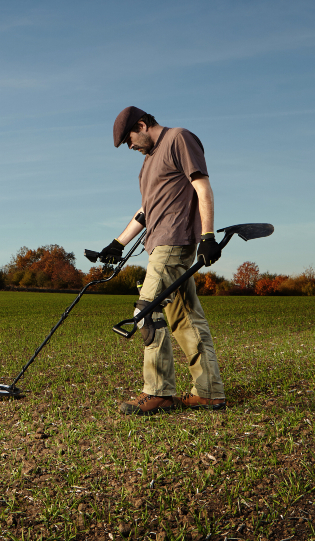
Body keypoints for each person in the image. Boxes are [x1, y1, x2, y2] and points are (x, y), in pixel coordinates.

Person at [97, 106, 227, 416]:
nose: (131, 146)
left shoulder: (179, 139)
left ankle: (159, 392)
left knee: (147, 311)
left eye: (130, 139)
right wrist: (117, 243)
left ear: (142, 125)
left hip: (173, 241)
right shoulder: (147, 165)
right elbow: (146, 211)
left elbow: (202, 186)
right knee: (186, 320)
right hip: (157, 245)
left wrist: (208, 236)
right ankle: (209, 392)